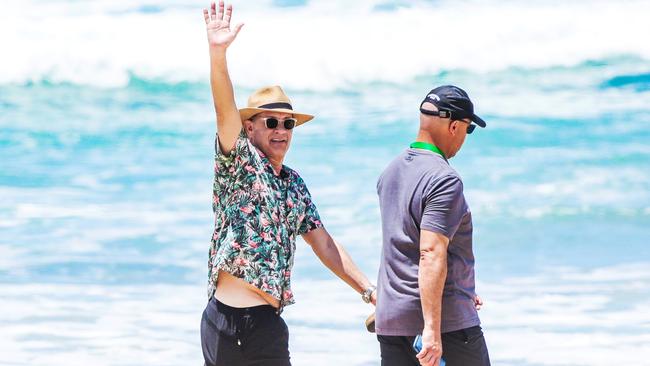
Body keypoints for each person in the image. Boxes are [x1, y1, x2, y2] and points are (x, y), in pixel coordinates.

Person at [199, 2, 377, 366]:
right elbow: (223, 109)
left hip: (268, 323)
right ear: (250, 128)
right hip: (224, 320)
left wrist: (368, 290)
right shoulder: (239, 163)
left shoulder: (294, 184)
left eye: (288, 123)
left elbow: (323, 242)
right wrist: (218, 54)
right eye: (271, 122)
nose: (280, 130)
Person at [374, 85, 491, 366]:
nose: (465, 137)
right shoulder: (444, 179)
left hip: (391, 320)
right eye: (468, 129)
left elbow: (404, 246)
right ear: (453, 126)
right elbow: (430, 253)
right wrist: (431, 331)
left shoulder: (390, 172)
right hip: (444, 326)